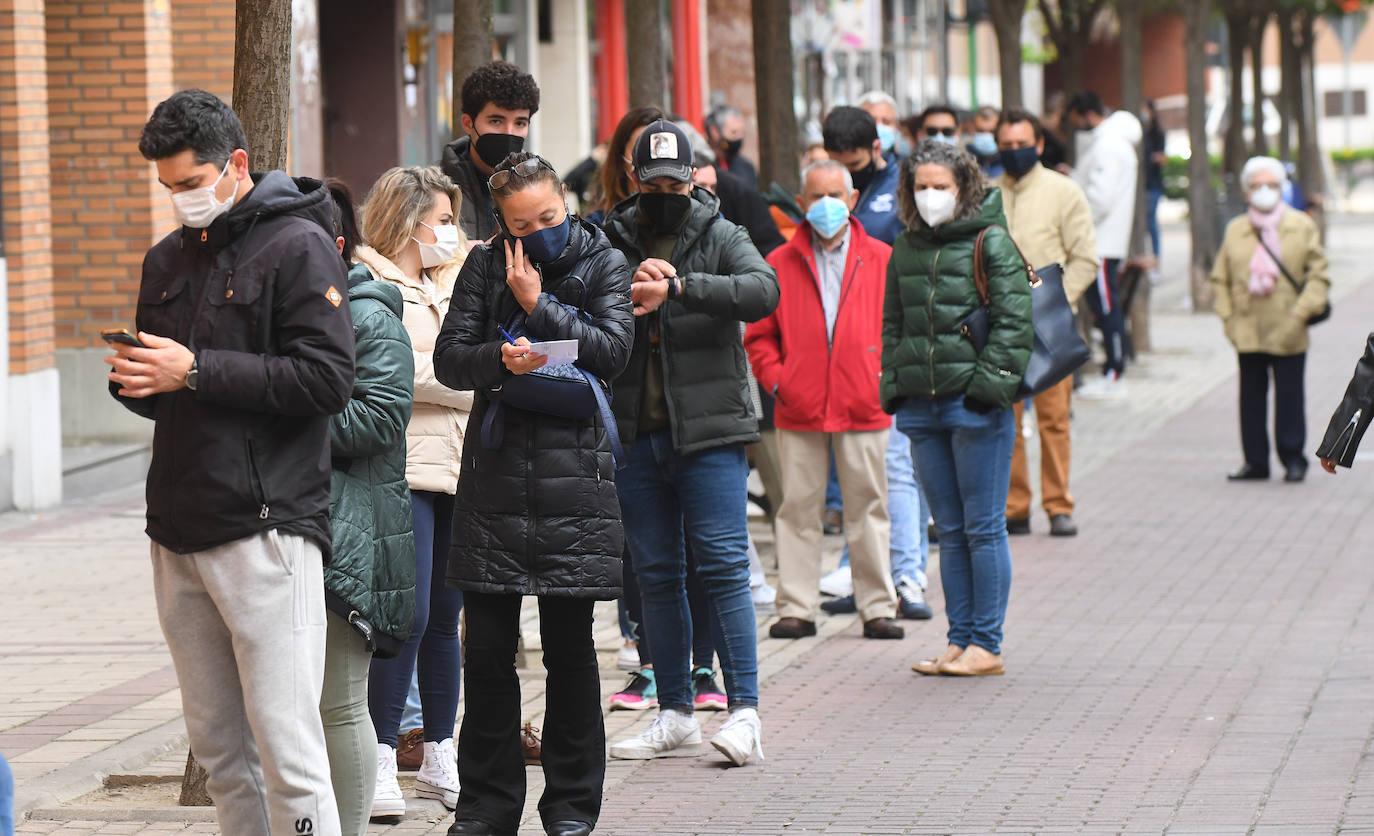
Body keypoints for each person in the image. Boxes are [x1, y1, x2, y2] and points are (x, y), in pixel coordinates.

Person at [107, 88, 354, 835]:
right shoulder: (166, 260)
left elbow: (327, 380)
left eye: (189, 183)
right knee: (220, 754)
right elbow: (172, 388)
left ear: (235, 164)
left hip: (268, 526)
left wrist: (196, 371)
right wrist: (139, 382)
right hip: (178, 529)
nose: (180, 200)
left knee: (287, 749)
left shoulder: (298, 245)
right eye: (168, 189)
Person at [433, 151, 633, 836]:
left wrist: (535, 310)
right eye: (523, 223)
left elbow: (612, 352)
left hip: (574, 479)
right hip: (494, 477)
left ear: (564, 206)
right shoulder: (484, 264)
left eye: (549, 217)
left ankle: (572, 810)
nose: (539, 231)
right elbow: (449, 358)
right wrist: (499, 357)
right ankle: (487, 808)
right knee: (486, 652)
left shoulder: (603, 260)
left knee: (570, 653)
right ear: (501, 222)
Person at [602, 119, 778, 765]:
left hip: (710, 432)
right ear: (633, 178)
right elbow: (583, 302)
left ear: (698, 176)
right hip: (636, 434)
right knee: (655, 576)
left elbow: (762, 291)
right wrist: (626, 287)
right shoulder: (612, 236)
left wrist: (678, 287)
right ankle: (674, 710)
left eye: (679, 180)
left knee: (724, 567)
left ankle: (744, 713)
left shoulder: (720, 231)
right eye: (656, 182)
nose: (668, 191)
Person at [882, 140, 1033, 678]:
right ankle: (959, 639)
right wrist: (894, 388)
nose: (929, 196)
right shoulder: (905, 246)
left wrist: (985, 390)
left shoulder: (992, 242)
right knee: (948, 529)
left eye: (940, 186)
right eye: (920, 186)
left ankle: (985, 644)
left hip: (975, 407)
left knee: (983, 526)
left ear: (964, 188)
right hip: (922, 409)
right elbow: (894, 324)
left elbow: (1016, 325)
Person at [745, 159, 904, 641]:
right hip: (800, 404)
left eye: (837, 194)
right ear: (801, 202)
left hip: (864, 402)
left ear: (853, 200)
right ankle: (796, 606)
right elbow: (759, 336)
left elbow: (899, 328)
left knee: (869, 507)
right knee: (797, 509)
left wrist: (882, 378)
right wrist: (780, 381)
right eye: (817, 196)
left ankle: (878, 605)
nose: (827, 205)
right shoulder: (778, 262)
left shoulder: (882, 257)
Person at [354, 166, 472, 818]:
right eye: (443, 220)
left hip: (457, 468)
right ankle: (377, 760)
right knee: (405, 619)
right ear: (406, 221)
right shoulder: (371, 284)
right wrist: (478, 376)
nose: (451, 233)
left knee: (445, 622)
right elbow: (397, 371)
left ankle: (441, 752)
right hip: (403, 472)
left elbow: (469, 355)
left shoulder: (445, 283)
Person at [322, 179, 418, 836]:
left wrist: (276, 405)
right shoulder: (298, 313)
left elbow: (377, 418)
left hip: (352, 536)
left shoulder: (370, 317)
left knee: (340, 704)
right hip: (296, 528)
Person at [818, 105, 934, 621]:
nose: (850, 168)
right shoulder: (836, 193)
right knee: (859, 478)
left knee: (898, 469)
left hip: (896, 344)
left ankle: (908, 578)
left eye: (857, 160)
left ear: (876, 149)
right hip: (848, 352)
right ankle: (868, 576)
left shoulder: (903, 191)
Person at [994, 109, 1099, 538]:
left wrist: (1057, 304)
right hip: (1000, 330)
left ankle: (1058, 504)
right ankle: (1014, 507)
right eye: (1006, 145)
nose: (1014, 152)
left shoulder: (1063, 191)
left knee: (1054, 420)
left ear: (1039, 145)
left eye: (1022, 144)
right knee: (1006, 420)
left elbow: (1085, 258)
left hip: (1052, 330)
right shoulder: (984, 193)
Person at [1212, 156, 1330, 483]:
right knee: (1250, 397)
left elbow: (1319, 275)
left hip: (1289, 325)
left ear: (1282, 188)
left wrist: (1301, 312)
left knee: (1290, 397)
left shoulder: (1301, 225)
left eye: (1272, 185)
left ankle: (1293, 459)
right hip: (1247, 327)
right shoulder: (1237, 229)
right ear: (1247, 191)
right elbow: (1219, 279)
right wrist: (1228, 319)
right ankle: (1255, 462)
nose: (1264, 190)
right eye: (1257, 185)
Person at [1066, 90, 1141, 399]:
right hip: (1103, 240)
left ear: (1088, 115)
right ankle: (1113, 368)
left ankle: (1114, 371)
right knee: (1105, 309)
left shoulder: (1109, 147)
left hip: (1100, 242)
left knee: (1106, 310)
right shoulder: (1111, 143)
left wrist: (1074, 219)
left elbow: (1100, 197)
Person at [440, 61, 540, 241]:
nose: (509, 133)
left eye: (519, 123)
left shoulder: (539, 184)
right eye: (496, 121)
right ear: (468, 124)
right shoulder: (437, 188)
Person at [823, 105, 901, 246]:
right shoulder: (821, 186)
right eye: (839, 166)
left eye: (854, 165)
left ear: (876, 149)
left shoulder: (901, 186)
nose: (847, 173)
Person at [589, 105, 667, 225]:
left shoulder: (692, 222)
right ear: (620, 157)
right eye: (639, 150)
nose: (649, 160)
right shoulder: (597, 229)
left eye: (658, 150)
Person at [705, 104, 758, 186]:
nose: (739, 138)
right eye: (734, 132)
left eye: (742, 133)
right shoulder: (703, 164)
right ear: (714, 131)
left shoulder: (746, 167)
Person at [1142, 100, 1166, 275]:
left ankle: (1155, 259)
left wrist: (1158, 158)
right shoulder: (1139, 133)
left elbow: (1163, 158)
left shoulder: (1158, 133)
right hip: (1142, 185)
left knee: (1151, 223)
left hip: (1154, 184)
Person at [858, 90, 902, 163]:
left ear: (897, 126)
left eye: (886, 122)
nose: (879, 127)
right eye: (871, 121)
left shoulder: (905, 167)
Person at [969, 105, 1003, 177]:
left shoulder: (1010, 160)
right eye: (980, 131)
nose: (986, 136)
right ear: (971, 128)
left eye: (992, 132)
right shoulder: (964, 159)